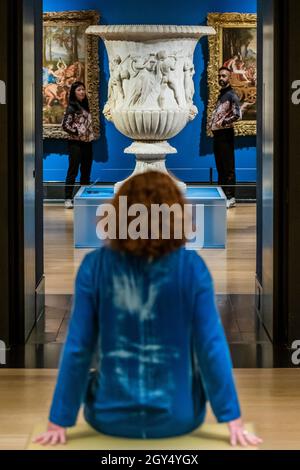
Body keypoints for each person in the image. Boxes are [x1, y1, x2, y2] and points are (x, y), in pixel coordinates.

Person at [33, 172, 262, 447]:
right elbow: (210, 346)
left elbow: (79, 347)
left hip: (109, 417)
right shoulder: (192, 268)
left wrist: (59, 419)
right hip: (179, 417)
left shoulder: (94, 266)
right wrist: (231, 417)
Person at [210, 67, 242, 209]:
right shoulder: (222, 94)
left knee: (228, 167)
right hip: (218, 135)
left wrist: (223, 122)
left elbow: (237, 115)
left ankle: (231, 197)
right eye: (219, 76)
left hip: (225, 134)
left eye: (223, 76)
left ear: (229, 77)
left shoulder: (231, 94)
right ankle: (223, 194)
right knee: (220, 167)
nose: (220, 78)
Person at [62, 81, 95, 209]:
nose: (82, 92)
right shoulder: (71, 107)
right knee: (73, 171)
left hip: (88, 144)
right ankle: (68, 198)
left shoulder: (85, 106)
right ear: (74, 93)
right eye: (79, 90)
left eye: (83, 89)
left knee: (86, 172)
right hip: (75, 144)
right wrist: (77, 132)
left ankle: (83, 197)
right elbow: (65, 125)